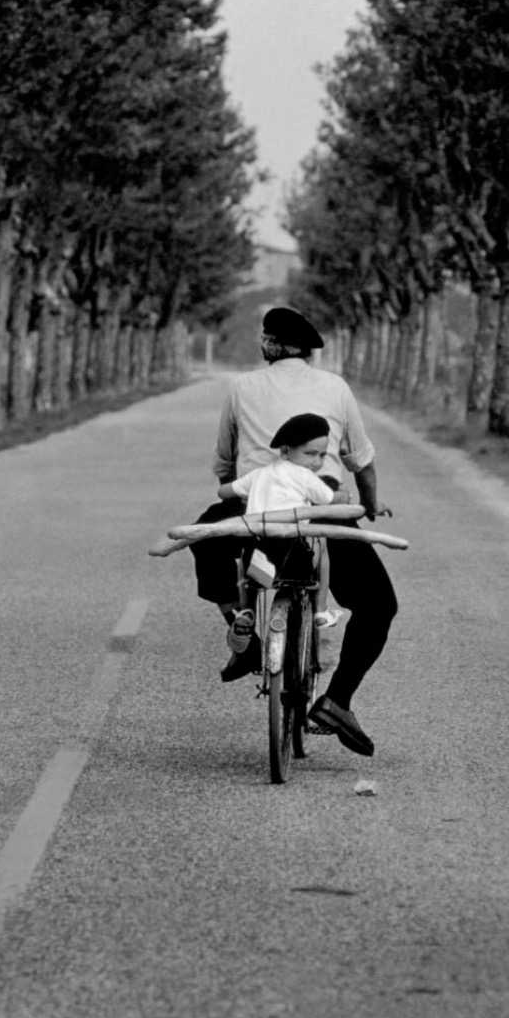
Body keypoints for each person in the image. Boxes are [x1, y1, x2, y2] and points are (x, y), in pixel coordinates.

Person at [191, 304, 398, 757]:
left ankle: (243, 632)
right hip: (319, 515)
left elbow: (224, 464)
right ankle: (338, 702)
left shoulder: (242, 387)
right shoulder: (336, 388)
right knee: (378, 605)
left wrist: (242, 487)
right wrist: (370, 502)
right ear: (309, 351)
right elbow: (360, 459)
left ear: (267, 344)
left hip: (257, 513)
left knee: (204, 539)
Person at [215, 411, 340, 665]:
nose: (316, 462)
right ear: (285, 451)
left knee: (246, 566)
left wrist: (242, 495)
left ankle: (246, 609)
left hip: (258, 552)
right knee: (322, 544)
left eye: (322, 455)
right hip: (294, 552)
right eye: (310, 453)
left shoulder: (259, 474)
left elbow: (224, 491)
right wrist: (343, 498)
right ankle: (320, 609)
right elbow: (328, 499)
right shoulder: (305, 477)